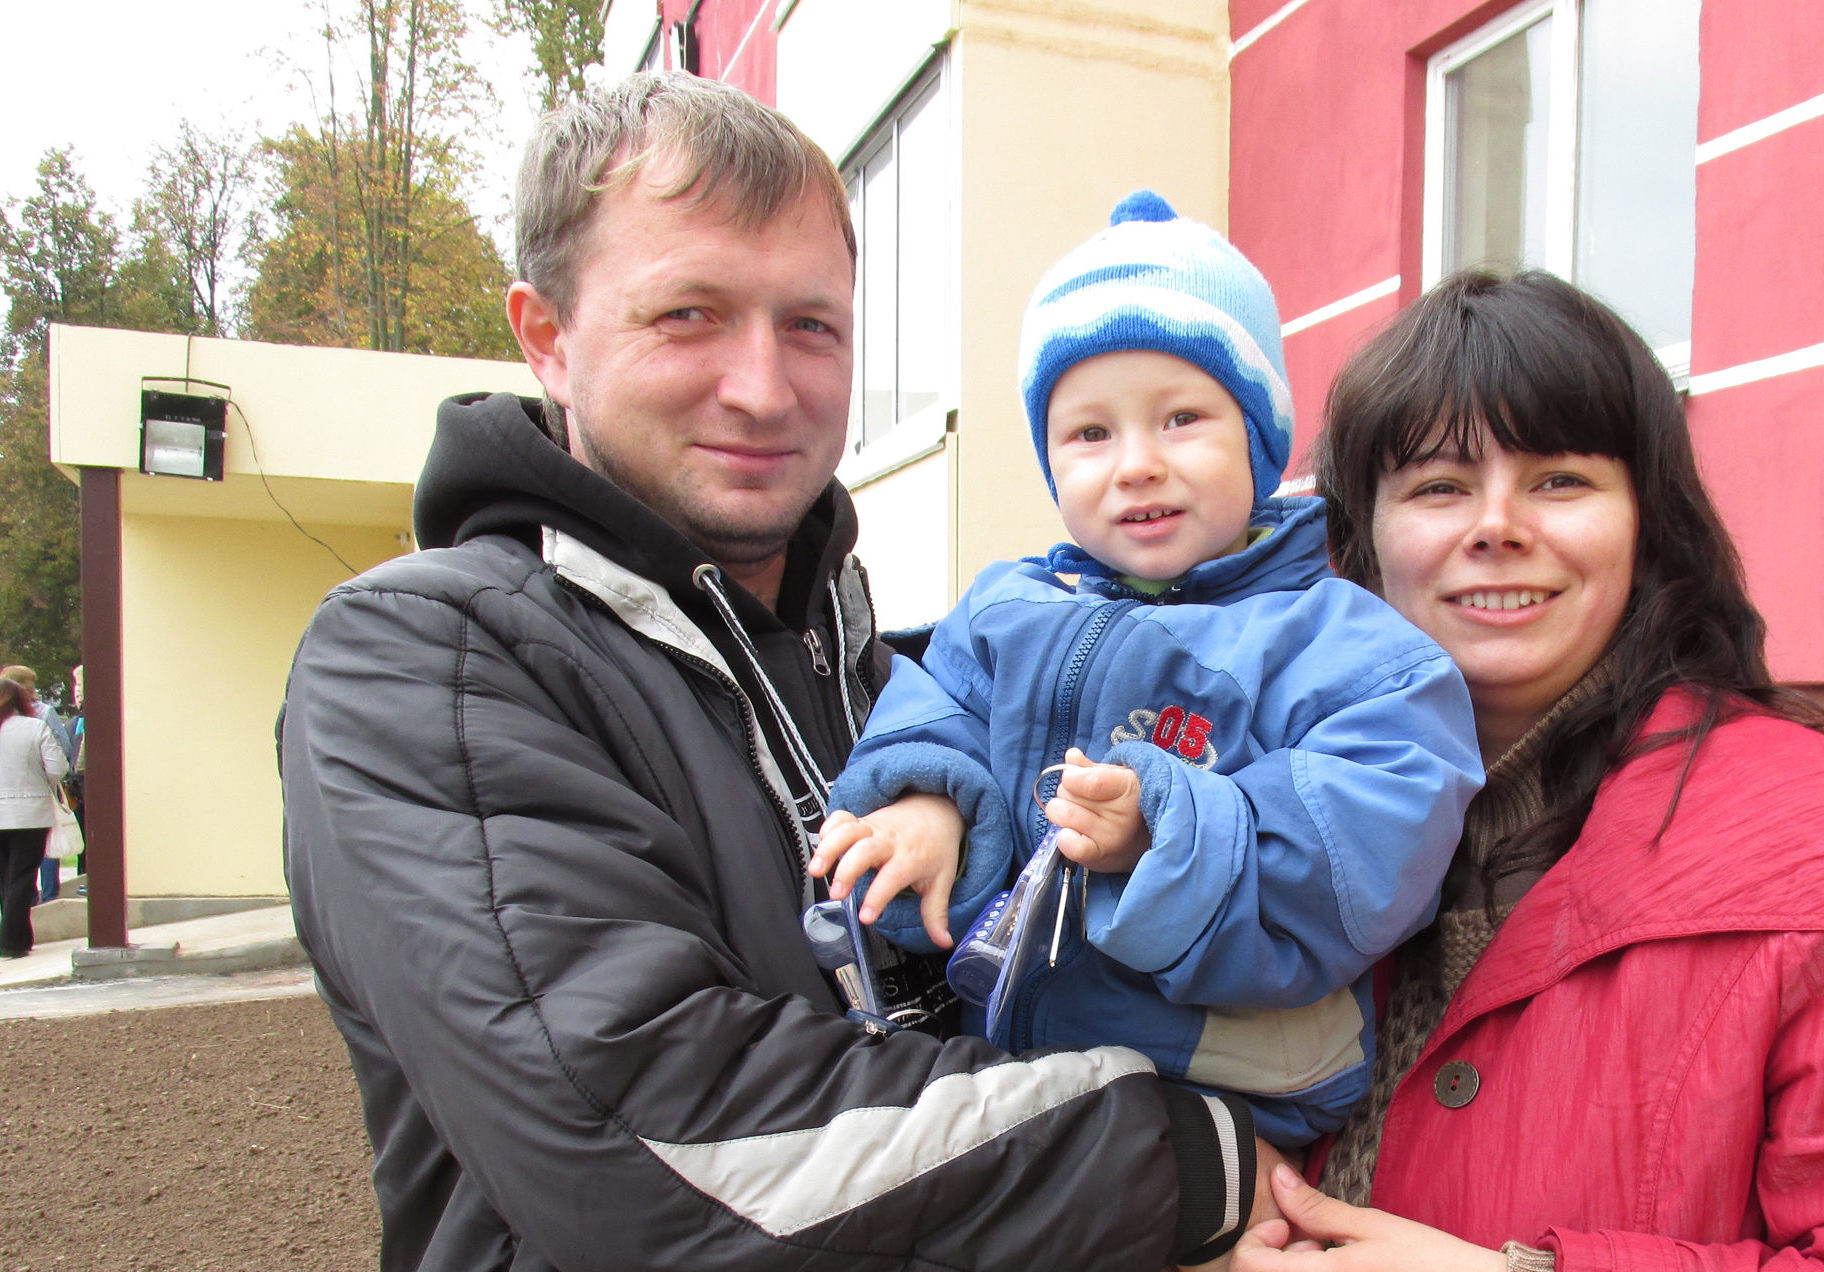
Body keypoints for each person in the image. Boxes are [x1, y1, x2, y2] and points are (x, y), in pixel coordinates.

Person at [280, 73, 1272, 1272]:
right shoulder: (423, 661)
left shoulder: (897, 671)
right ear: (547, 337)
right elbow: (661, 1150)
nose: (761, 388)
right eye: (686, 315)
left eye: (810, 325)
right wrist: (1198, 1155)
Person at [1231, 271, 1824, 1270]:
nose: (1497, 525)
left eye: (1559, 480)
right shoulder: (1265, 819)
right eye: (1438, 486)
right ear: (1360, 540)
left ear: (1647, 523)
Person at [811, 192, 1482, 1146]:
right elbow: (939, 709)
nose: (1136, 465)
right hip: (1013, 1081)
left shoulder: (1337, 641)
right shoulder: (1009, 608)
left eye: (1181, 419)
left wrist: (1164, 836)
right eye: (1091, 433)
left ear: (1258, 439)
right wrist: (930, 805)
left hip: (1230, 1089)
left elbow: (1369, 845)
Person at [0, 676, 68, 957]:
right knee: (21, 877)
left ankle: (20, 938)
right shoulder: (34, 726)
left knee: (5, 878)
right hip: (31, 814)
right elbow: (57, 767)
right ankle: (11, 941)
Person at [5, 667, 72, 902]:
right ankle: (47, 898)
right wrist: (44, 783)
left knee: (8, 875)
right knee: (38, 857)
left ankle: (17, 911)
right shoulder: (42, 716)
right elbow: (61, 757)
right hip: (36, 801)